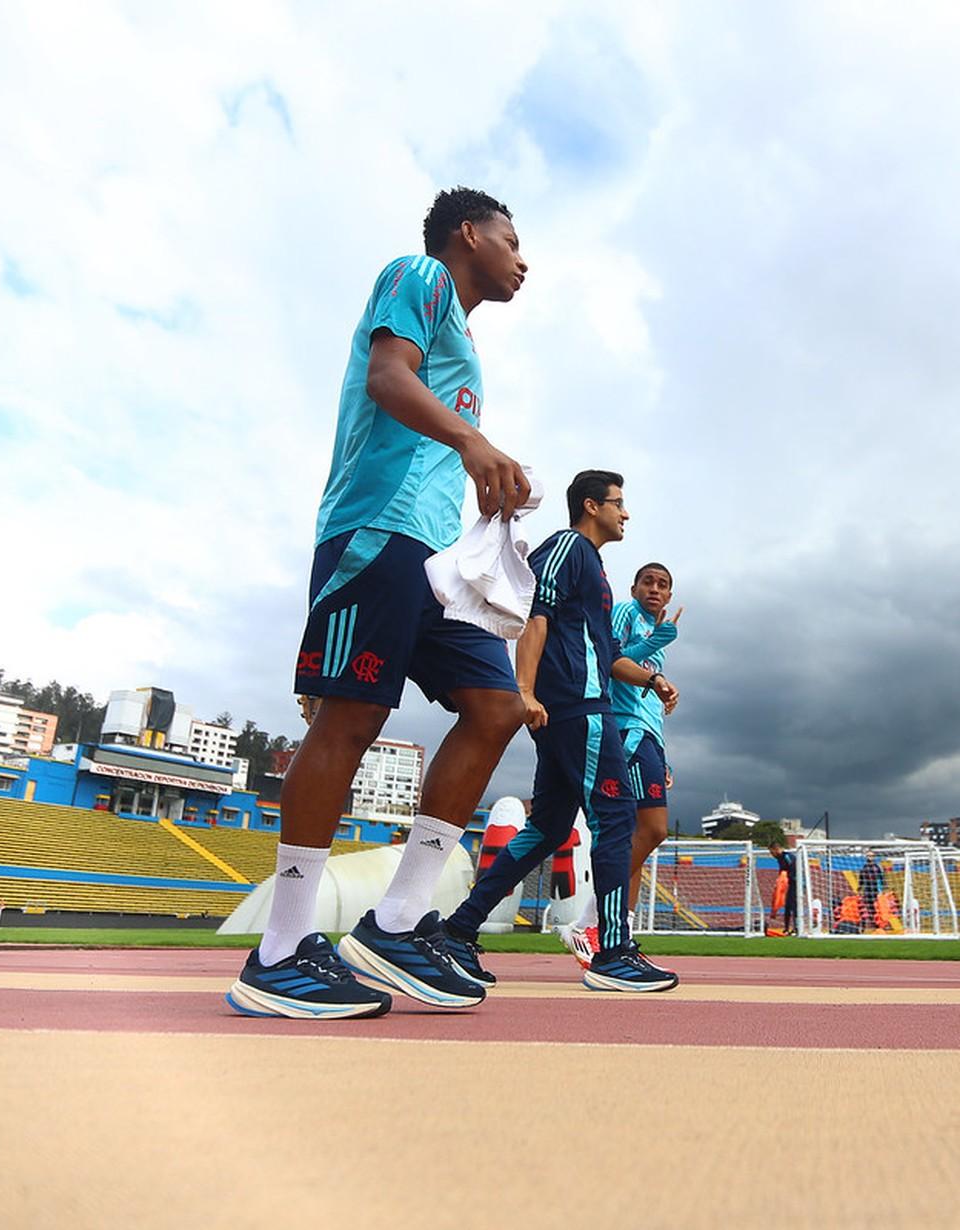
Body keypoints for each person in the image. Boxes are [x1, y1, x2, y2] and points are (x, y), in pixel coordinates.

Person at [227, 187, 530, 1020]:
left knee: (497, 707)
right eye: (510, 240)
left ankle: (396, 921)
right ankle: (279, 950)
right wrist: (472, 442)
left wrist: (485, 493)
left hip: (436, 559)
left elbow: (428, 421)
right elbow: (387, 376)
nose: (522, 258)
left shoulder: (462, 338)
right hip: (374, 531)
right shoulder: (418, 276)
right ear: (468, 234)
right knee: (352, 717)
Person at [442, 470, 681, 993]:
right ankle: (612, 952)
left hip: (573, 710)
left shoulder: (595, 569)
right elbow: (535, 616)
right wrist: (524, 690)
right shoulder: (567, 547)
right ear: (592, 506)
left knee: (547, 828)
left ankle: (457, 931)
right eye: (618, 503)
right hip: (578, 709)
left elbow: (610, 656)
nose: (625, 513)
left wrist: (654, 679)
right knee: (617, 818)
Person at [559, 562, 681, 972]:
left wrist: (661, 754)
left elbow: (648, 693)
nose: (654, 589)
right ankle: (587, 923)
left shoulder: (655, 634)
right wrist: (655, 650)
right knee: (652, 830)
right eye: (648, 582)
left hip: (647, 735)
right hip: (627, 731)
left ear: (669, 595)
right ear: (634, 588)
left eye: (662, 585)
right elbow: (613, 661)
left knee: (639, 839)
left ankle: (618, 935)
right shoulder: (628, 614)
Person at [768, 840, 798, 934]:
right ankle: (786, 928)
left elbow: (794, 868)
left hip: (794, 883)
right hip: (787, 884)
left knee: (794, 905)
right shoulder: (779, 858)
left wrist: (791, 879)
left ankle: (796, 927)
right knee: (787, 906)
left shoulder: (787, 856)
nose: (772, 855)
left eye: (772, 852)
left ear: (776, 849)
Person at [858, 850, 885, 930]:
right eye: (869, 856)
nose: (870, 857)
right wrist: (860, 888)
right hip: (867, 890)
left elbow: (881, 879)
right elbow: (861, 879)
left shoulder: (877, 867)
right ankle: (863, 926)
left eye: (872, 856)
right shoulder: (864, 868)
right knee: (864, 908)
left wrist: (882, 889)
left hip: (875, 890)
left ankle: (878, 925)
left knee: (876, 908)